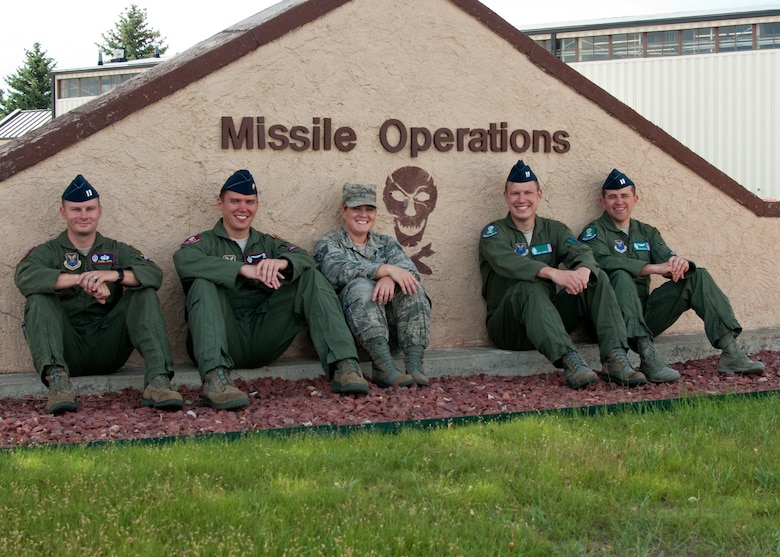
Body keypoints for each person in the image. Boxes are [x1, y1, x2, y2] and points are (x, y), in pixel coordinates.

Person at [173, 169, 369, 409]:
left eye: (249, 202)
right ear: (220, 204)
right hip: (222, 337)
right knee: (202, 283)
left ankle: (345, 366)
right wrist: (241, 269)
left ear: (256, 205)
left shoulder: (268, 242)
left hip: (263, 334)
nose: (242, 208)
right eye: (235, 201)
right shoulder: (203, 243)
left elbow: (304, 258)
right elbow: (183, 261)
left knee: (311, 278)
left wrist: (283, 263)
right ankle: (215, 381)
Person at [14, 175, 182, 414]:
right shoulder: (47, 251)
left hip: (108, 344)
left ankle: (158, 381)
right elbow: (24, 277)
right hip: (66, 348)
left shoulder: (116, 249)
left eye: (90, 209)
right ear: (63, 213)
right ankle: (58, 384)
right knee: (39, 297)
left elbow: (153, 274)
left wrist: (112, 276)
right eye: (76, 209)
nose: (84, 215)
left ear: (99, 211)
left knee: (143, 293)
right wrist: (81, 279)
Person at [579, 168, 765, 381]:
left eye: (624, 196)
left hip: (644, 316)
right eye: (612, 197)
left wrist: (678, 263)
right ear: (603, 202)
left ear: (635, 199)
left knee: (697, 275)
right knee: (620, 275)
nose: (618, 202)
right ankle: (648, 357)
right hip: (610, 323)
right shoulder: (594, 232)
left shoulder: (647, 232)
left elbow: (667, 261)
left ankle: (731, 351)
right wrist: (652, 268)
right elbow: (601, 262)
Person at [478, 160, 647, 389]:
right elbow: (508, 263)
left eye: (528, 192)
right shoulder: (493, 233)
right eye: (515, 193)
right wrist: (553, 273)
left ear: (539, 195)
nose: (521, 199)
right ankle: (571, 361)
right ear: (506, 197)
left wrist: (584, 270)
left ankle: (615, 359)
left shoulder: (554, 229)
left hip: (550, 321)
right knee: (529, 286)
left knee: (597, 279)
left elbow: (581, 251)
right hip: (509, 327)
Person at [314, 183, 432, 388]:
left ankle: (414, 365)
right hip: (352, 337)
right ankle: (383, 367)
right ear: (344, 211)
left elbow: (409, 271)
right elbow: (336, 271)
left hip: (390, 333)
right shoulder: (329, 242)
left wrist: (390, 276)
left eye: (369, 209)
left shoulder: (385, 243)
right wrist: (383, 270)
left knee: (412, 288)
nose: (363, 215)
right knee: (361, 287)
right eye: (356, 209)